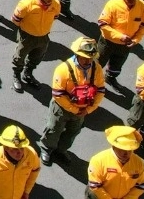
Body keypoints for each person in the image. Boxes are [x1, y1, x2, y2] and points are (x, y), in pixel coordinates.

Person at [40, 37, 105, 166]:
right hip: (62, 108)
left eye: (90, 58)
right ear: (77, 54)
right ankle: (47, 149)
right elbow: (58, 94)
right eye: (84, 57)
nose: (87, 61)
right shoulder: (63, 69)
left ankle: (61, 150)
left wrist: (88, 110)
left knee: (72, 133)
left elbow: (100, 90)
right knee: (53, 129)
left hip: (82, 110)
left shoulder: (96, 69)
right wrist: (75, 110)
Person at [97, 0, 144, 92]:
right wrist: (119, 37)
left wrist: (136, 40)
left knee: (117, 64)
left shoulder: (142, 6)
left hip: (126, 44)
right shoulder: (112, 5)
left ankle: (110, 78)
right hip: (108, 42)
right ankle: (91, 82)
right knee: (98, 63)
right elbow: (102, 24)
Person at [10, 0, 61, 92]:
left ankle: (27, 74)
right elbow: (15, 19)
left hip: (43, 36)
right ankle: (16, 75)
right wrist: (26, 29)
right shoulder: (26, 4)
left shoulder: (56, 4)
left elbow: (55, 17)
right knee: (20, 57)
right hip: (27, 36)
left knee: (37, 57)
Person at [0, 125, 41, 199]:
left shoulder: (31, 154)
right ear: (6, 147)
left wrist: (26, 191)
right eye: (14, 149)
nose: (19, 152)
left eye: (22, 148)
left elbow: (35, 170)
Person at [86, 126, 144, 199]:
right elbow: (95, 186)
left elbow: (140, 186)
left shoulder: (139, 163)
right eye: (122, 149)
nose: (126, 153)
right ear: (114, 146)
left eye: (130, 149)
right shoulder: (98, 161)